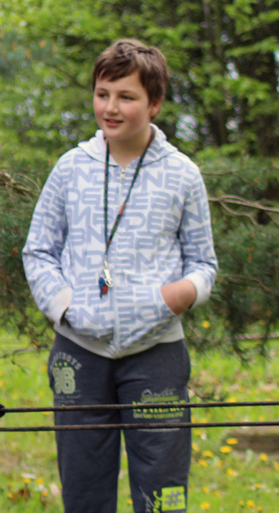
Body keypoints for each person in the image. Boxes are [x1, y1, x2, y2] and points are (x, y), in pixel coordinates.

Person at [22, 39, 218, 513]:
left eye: (126, 97)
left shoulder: (183, 175)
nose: (110, 108)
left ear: (154, 103)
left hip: (157, 353)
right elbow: (38, 252)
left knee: (163, 489)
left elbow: (204, 264)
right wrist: (66, 306)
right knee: (84, 488)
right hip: (79, 353)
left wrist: (178, 296)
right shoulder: (70, 168)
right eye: (102, 93)